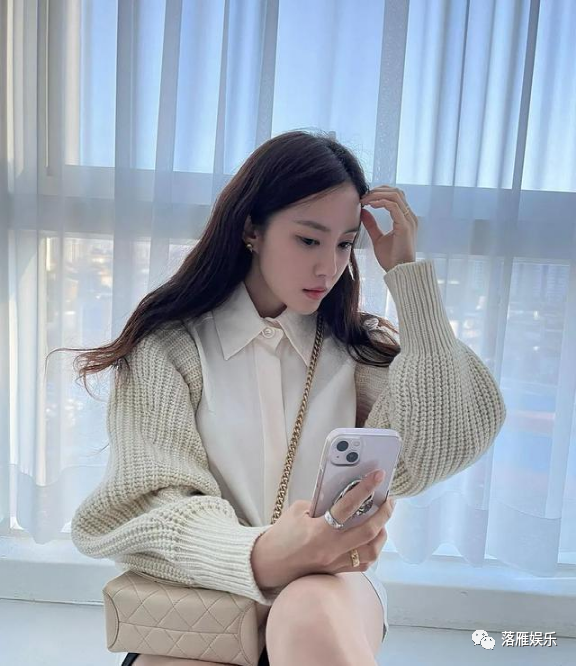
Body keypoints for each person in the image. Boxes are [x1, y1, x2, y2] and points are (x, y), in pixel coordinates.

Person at [62, 130, 507, 666]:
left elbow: (443, 441)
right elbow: (150, 503)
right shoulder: (170, 350)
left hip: (330, 585)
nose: (329, 267)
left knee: (308, 609)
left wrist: (408, 276)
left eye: (345, 244)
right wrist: (265, 554)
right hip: (206, 597)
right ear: (252, 229)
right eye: (308, 240)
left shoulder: (357, 351)